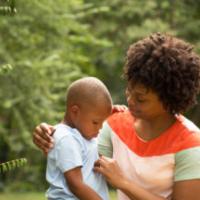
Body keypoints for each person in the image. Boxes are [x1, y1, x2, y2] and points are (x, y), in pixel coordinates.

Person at [33, 33, 200, 200]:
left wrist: (123, 182)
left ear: (168, 100)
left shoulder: (190, 143)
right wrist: (51, 137)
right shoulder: (114, 125)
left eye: (140, 99)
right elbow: (75, 159)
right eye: (129, 90)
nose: (130, 101)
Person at [45, 77, 112, 200]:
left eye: (103, 122)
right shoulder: (66, 137)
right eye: (96, 122)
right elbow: (76, 185)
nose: (100, 128)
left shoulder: (85, 134)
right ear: (75, 111)